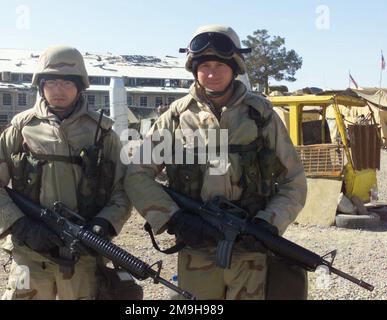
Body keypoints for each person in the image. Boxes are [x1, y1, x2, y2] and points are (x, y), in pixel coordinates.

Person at [124, 25, 307, 300]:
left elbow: (294, 180)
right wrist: (175, 218)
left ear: (235, 67)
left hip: (249, 247)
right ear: (194, 69)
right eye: (205, 65)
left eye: (220, 65)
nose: (212, 73)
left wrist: (270, 223)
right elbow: (137, 174)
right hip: (196, 248)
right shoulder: (175, 119)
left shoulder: (261, 115)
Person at [0, 45, 131, 300]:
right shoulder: (21, 128)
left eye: (67, 83)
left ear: (80, 86)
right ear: (41, 86)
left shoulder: (102, 133)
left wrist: (104, 224)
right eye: (52, 82)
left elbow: (123, 189)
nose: (59, 90)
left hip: (83, 254)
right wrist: (22, 226)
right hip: (30, 254)